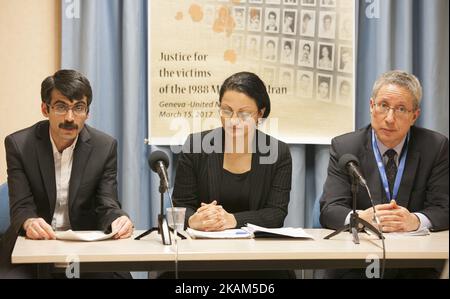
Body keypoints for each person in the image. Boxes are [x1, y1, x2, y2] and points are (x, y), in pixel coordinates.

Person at [0, 70, 134, 279]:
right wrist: (29, 222)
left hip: (83, 249)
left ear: (87, 112)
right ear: (45, 109)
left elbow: (107, 204)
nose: (70, 118)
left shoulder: (104, 147)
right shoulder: (19, 145)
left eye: (78, 108)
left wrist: (118, 219)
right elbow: (21, 206)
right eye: (61, 107)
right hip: (33, 246)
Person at [320, 70, 449, 278]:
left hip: (416, 265)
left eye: (400, 109)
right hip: (357, 264)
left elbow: (444, 208)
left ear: (414, 115)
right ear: (372, 107)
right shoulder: (345, 146)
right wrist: (359, 218)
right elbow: (329, 209)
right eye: (383, 106)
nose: (390, 118)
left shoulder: (435, 147)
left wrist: (415, 221)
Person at [169, 72, 293, 278]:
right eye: (226, 111)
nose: (233, 121)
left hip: (258, 258)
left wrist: (231, 220)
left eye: (243, 114)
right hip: (202, 256)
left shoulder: (277, 153)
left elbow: (276, 214)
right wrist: (194, 220)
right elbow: (180, 207)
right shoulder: (195, 146)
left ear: (260, 114)